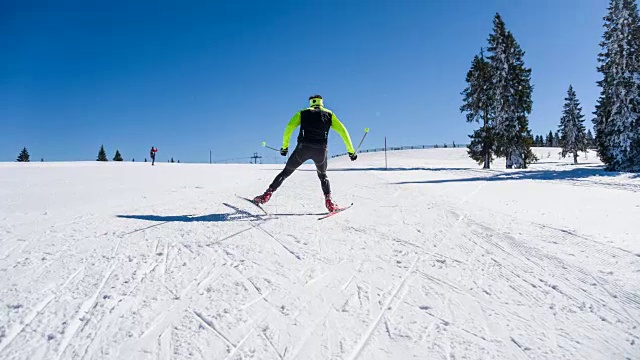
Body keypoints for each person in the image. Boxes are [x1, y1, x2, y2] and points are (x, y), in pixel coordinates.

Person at [253, 95, 357, 211]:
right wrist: (351, 151)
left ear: (310, 102)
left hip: (303, 149)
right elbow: (343, 131)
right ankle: (329, 202)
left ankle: (266, 195)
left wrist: (285, 147)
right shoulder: (329, 114)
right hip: (321, 150)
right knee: (323, 176)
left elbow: (289, 127)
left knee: (285, 172)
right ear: (321, 102)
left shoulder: (302, 113)